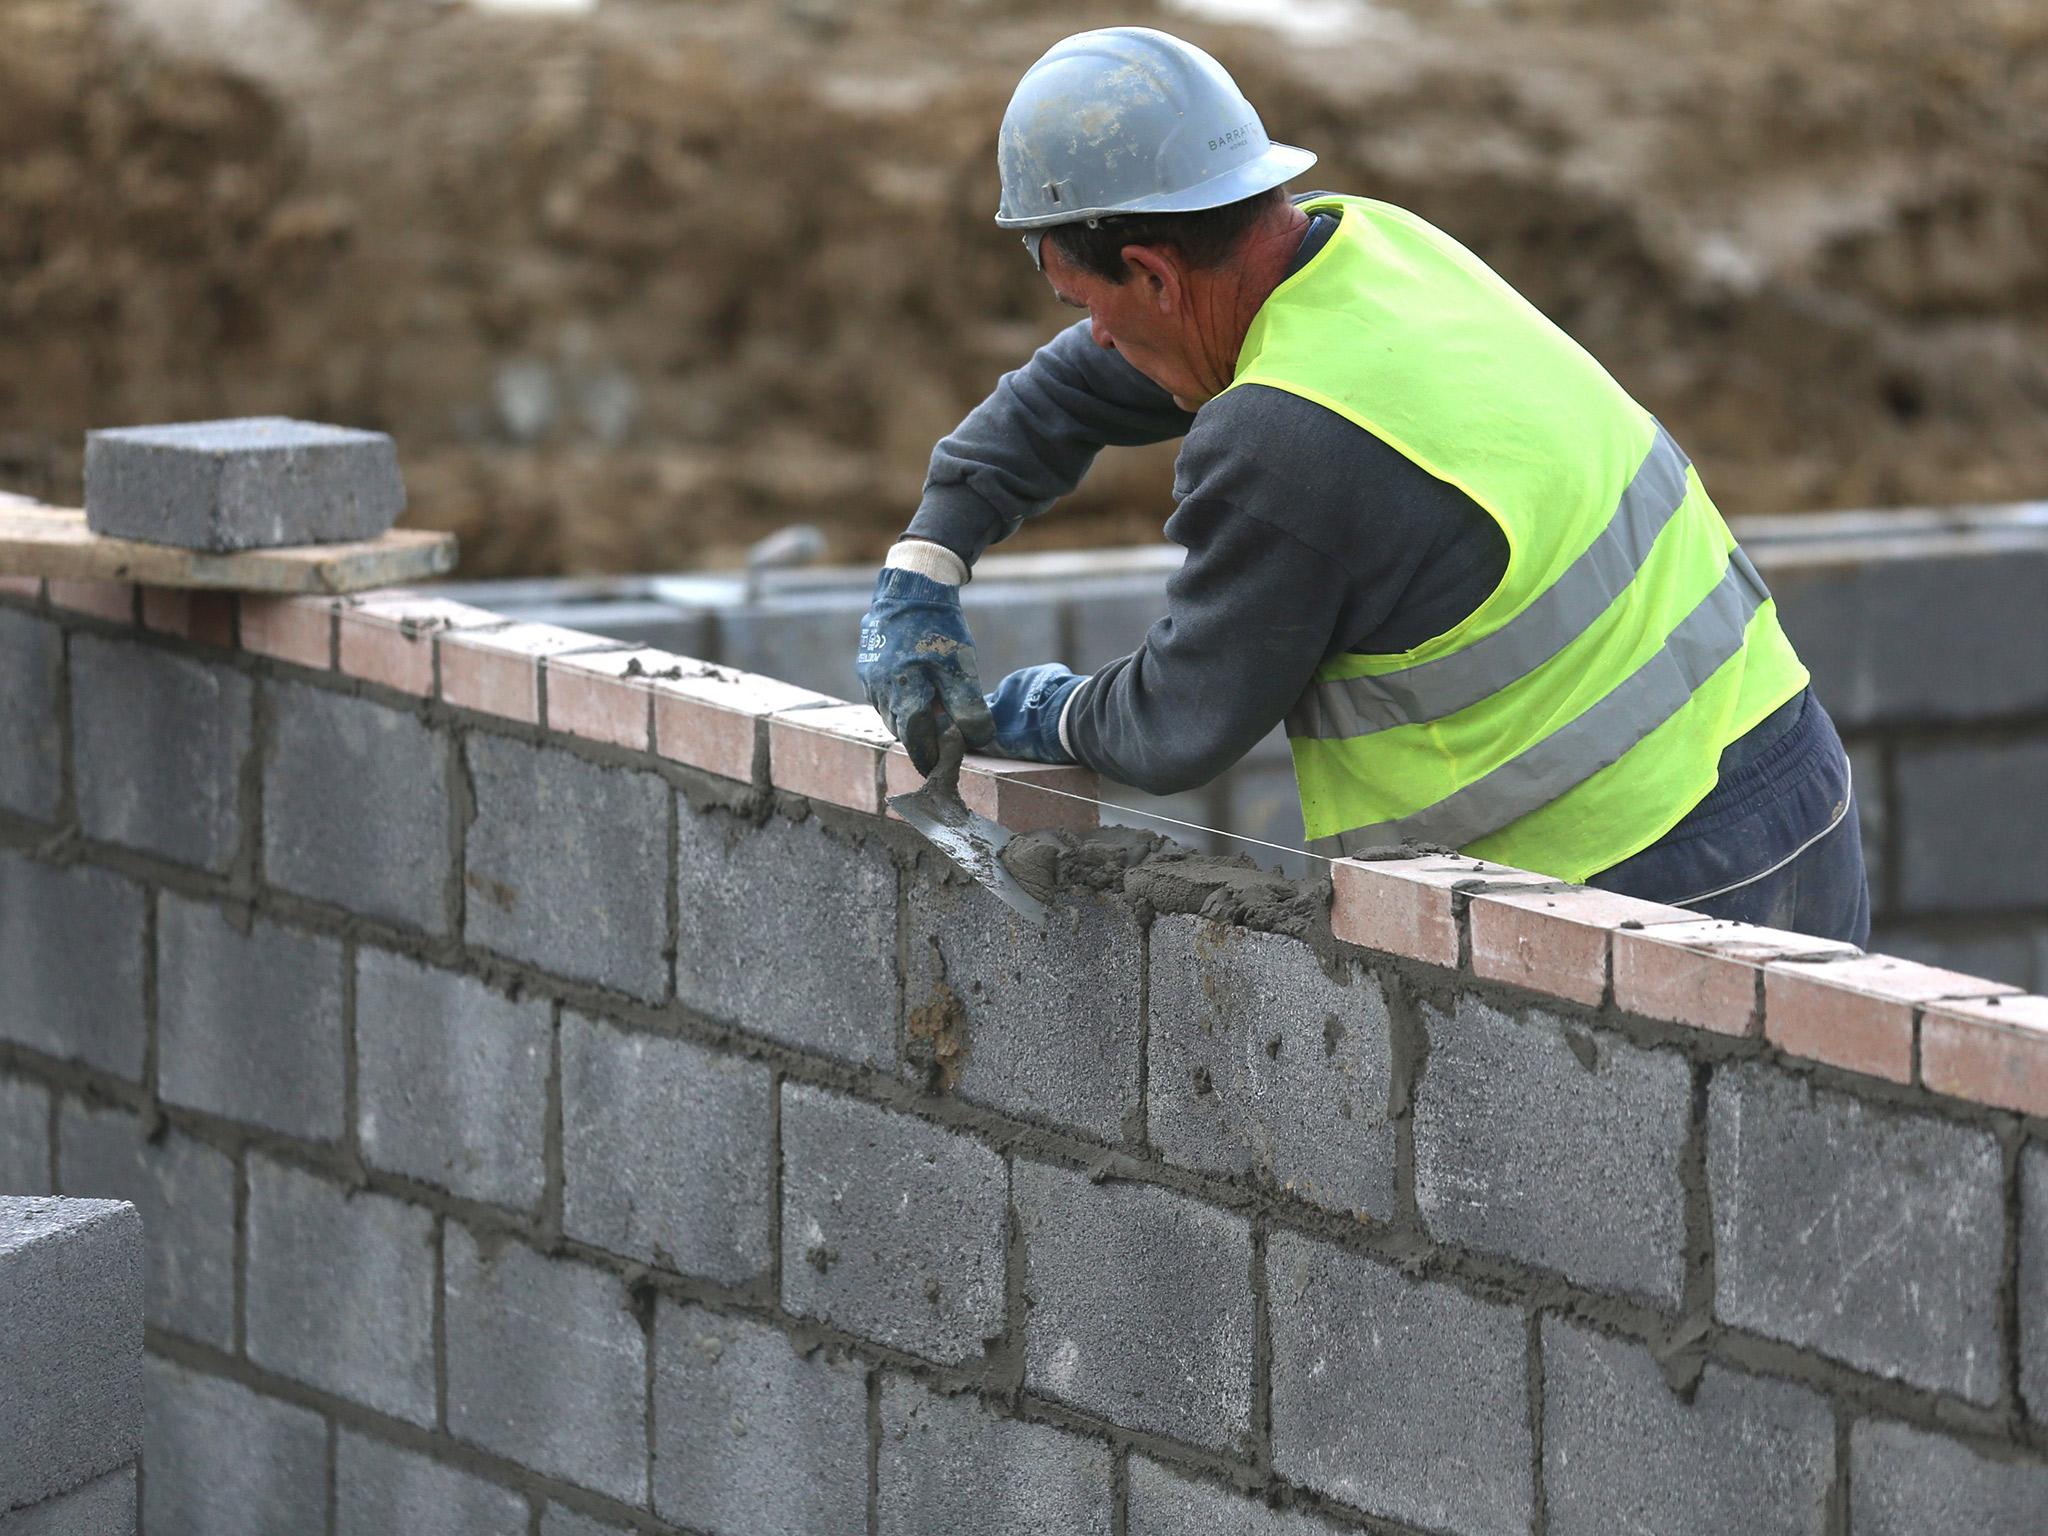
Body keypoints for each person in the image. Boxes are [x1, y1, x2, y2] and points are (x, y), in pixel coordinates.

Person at [856, 26, 1869, 944]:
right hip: (1791, 780)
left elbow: (1175, 722)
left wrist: (1033, 713)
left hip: (1644, 881)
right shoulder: (1372, 250)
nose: (1097, 338)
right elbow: (1070, 391)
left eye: (1092, 304)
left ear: (1154, 274)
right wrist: (925, 562)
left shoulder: (1282, 441)